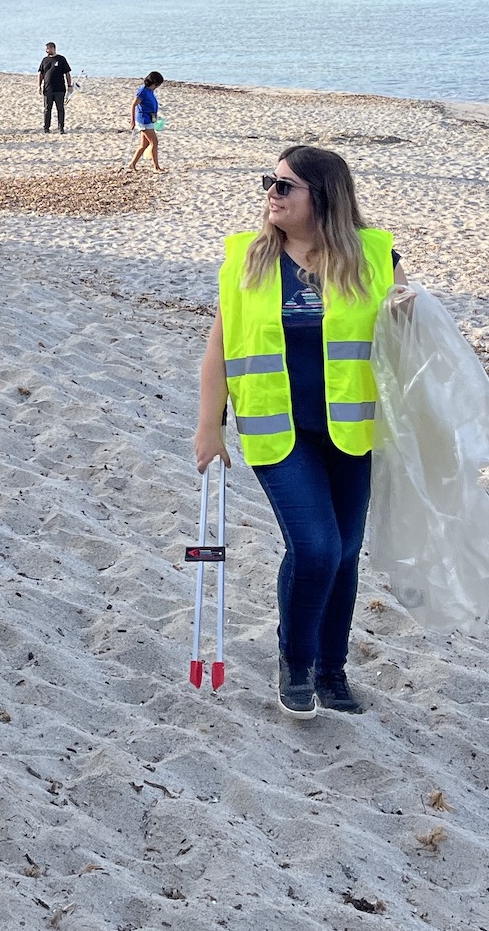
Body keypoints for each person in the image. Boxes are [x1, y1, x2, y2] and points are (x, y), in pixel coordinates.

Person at [194, 146, 406, 718]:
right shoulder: (247, 261)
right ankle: (297, 659)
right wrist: (207, 428)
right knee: (316, 549)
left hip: (352, 431)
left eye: (285, 186)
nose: (271, 193)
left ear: (324, 198)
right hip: (278, 431)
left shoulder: (374, 258)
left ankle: (332, 670)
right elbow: (218, 349)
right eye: (270, 182)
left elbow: (407, 339)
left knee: (345, 557)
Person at [127, 71, 165, 172]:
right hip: (144, 120)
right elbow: (133, 105)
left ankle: (132, 164)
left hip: (149, 119)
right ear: (154, 83)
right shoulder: (142, 91)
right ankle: (156, 167)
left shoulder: (150, 90)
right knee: (154, 142)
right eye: (157, 85)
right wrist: (133, 121)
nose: (157, 87)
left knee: (144, 145)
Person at [37, 42, 72, 133]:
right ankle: (46, 128)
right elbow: (40, 73)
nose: (46, 50)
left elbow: (67, 73)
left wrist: (69, 85)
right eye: (46, 49)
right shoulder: (44, 60)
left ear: (53, 48)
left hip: (59, 89)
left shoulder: (61, 59)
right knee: (47, 109)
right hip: (47, 89)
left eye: (48, 49)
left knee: (60, 108)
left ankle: (61, 128)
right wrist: (39, 86)